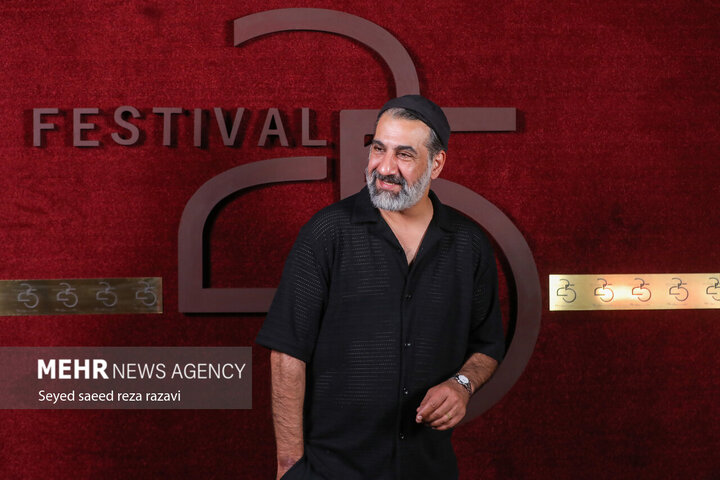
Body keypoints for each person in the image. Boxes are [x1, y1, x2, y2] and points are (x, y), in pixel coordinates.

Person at [256, 94, 505, 480]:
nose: (384, 168)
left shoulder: (469, 244)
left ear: (437, 164)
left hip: (428, 470)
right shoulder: (326, 233)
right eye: (378, 149)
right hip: (331, 472)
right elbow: (287, 353)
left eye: (404, 154)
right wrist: (289, 467)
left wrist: (462, 384)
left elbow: (487, 346)